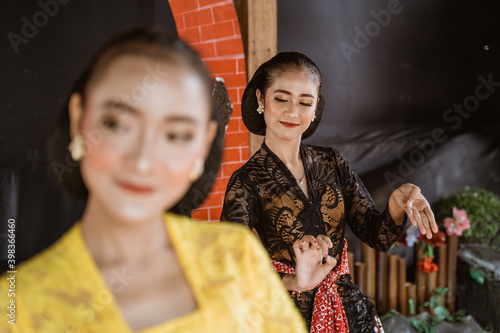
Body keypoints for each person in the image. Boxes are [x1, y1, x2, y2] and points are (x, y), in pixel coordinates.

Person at [0, 29, 307, 333]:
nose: (143, 161)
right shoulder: (17, 307)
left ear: (203, 145)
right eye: (117, 124)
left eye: (176, 135)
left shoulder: (236, 256)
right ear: (80, 118)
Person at [220, 52, 439, 333]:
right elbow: (228, 271)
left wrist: (396, 204)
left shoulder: (333, 162)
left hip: (350, 315)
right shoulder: (246, 181)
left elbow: (378, 236)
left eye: (304, 102)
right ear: (261, 99)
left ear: (315, 109)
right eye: (281, 98)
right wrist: (294, 282)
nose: (292, 112)